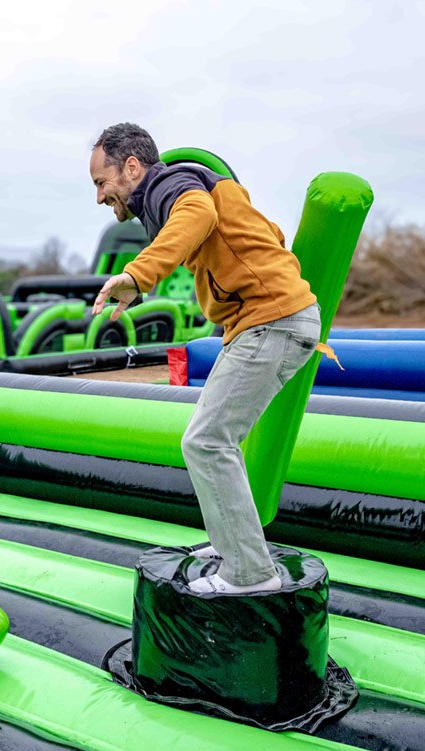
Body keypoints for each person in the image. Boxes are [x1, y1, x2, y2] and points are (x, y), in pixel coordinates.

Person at [90, 123, 320, 596]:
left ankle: (250, 573)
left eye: (101, 182)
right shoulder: (191, 186)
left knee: (207, 442)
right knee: (213, 440)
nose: (99, 197)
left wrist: (138, 275)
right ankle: (232, 546)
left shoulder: (168, 186)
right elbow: (268, 232)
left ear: (132, 167)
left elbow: (195, 215)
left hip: (272, 322)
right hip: (266, 320)